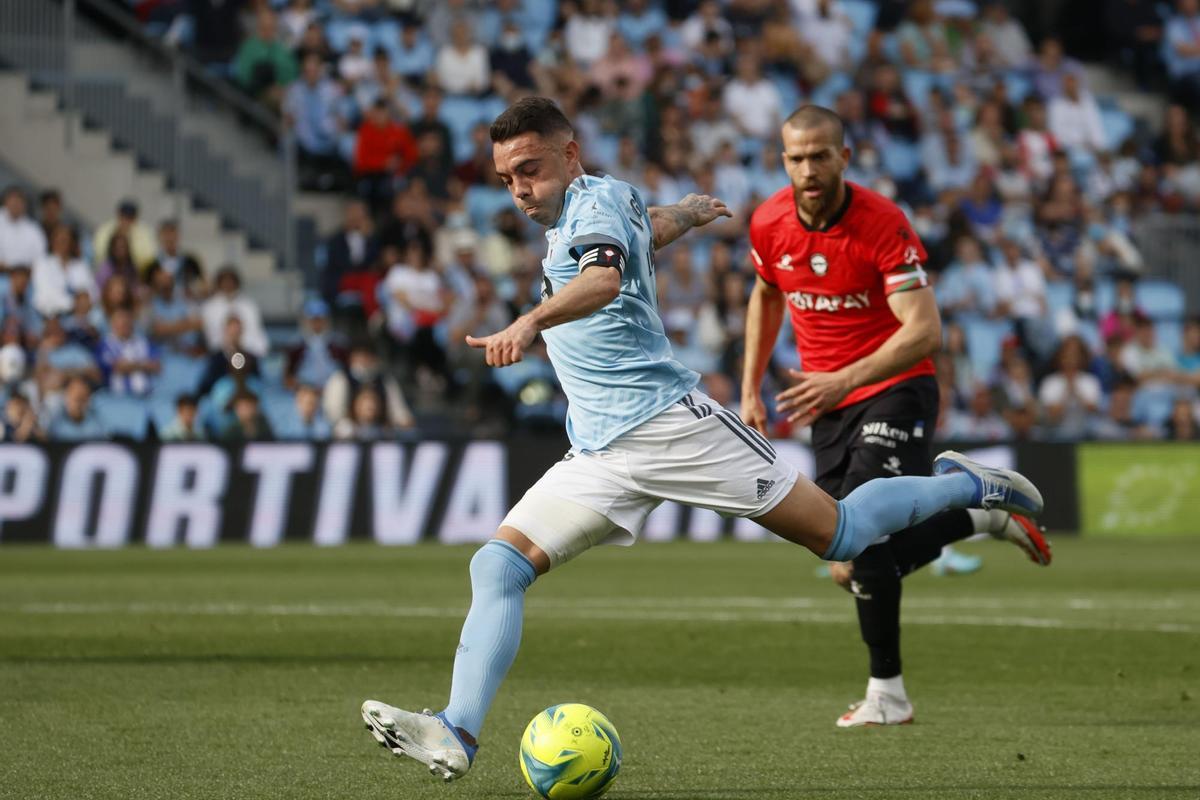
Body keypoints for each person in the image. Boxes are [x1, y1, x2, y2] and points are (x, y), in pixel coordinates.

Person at [359, 97, 1046, 780]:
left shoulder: (591, 210)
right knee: (498, 567)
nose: (518, 190)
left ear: (571, 155)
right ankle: (457, 730)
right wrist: (686, 215)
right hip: (600, 455)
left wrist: (530, 322)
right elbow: (638, 233)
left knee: (841, 538)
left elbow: (601, 276)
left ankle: (968, 485)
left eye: (530, 170)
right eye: (507, 178)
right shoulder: (602, 202)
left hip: (668, 427)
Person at [739, 106, 1052, 730]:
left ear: (844, 157)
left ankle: (889, 695)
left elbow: (925, 332)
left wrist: (844, 378)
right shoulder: (769, 220)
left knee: (862, 537)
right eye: (797, 158)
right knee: (846, 559)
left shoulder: (882, 224)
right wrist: (750, 385)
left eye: (821, 155)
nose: (809, 168)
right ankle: (978, 514)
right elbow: (767, 293)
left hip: (894, 390)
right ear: (783, 161)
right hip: (827, 407)